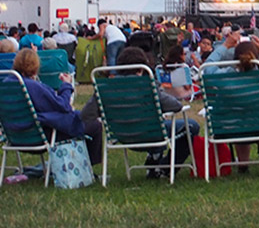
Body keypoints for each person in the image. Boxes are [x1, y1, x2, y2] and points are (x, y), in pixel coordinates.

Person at [81, 46, 199, 178]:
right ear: (141, 68)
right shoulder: (147, 85)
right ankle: (164, 168)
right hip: (151, 134)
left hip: (122, 135)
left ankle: (155, 159)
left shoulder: (105, 88)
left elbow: (86, 115)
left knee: (157, 125)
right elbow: (175, 106)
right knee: (191, 126)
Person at [8, 48, 103, 167]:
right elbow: (63, 106)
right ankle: (88, 168)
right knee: (94, 125)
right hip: (41, 135)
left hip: (14, 136)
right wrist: (66, 85)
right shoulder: (32, 87)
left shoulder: (6, 86)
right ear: (35, 67)